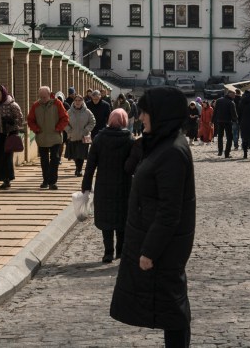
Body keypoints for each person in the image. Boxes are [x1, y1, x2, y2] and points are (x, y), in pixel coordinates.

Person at [111, 86, 195, 347]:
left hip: (163, 247)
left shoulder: (171, 151)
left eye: (146, 112)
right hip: (157, 242)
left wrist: (149, 251)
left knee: (173, 310)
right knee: (170, 309)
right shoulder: (163, 144)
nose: (141, 116)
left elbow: (170, 210)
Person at [82, 108, 135, 263]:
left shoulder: (99, 139)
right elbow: (134, 164)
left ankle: (108, 252)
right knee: (122, 217)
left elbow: (90, 164)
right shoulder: (129, 140)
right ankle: (120, 251)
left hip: (104, 184)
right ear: (124, 121)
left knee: (106, 219)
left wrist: (86, 185)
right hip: (124, 185)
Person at [26, 85, 69, 189]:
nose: (42, 99)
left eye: (44, 97)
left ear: (49, 95)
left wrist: (59, 128)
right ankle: (45, 180)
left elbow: (65, 118)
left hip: (55, 137)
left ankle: (53, 182)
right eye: (40, 97)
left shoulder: (57, 104)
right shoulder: (36, 105)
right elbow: (30, 120)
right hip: (42, 138)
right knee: (44, 161)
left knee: (54, 159)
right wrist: (36, 129)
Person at [65, 95, 95, 176]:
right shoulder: (69, 112)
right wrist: (69, 130)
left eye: (79, 100)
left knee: (81, 154)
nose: (78, 102)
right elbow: (64, 122)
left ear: (82, 101)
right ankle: (77, 168)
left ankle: (79, 169)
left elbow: (92, 122)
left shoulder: (87, 112)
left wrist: (86, 130)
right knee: (75, 154)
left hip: (85, 136)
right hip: (73, 135)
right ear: (74, 102)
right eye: (76, 100)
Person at [212, 86, 238, 158]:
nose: (235, 96)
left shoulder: (219, 100)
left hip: (219, 121)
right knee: (229, 137)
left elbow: (215, 111)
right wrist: (236, 121)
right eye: (234, 94)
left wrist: (212, 120)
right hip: (228, 122)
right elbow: (234, 113)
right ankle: (227, 153)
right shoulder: (231, 102)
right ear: (230, 94)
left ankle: (220, 151)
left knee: (220, 136)